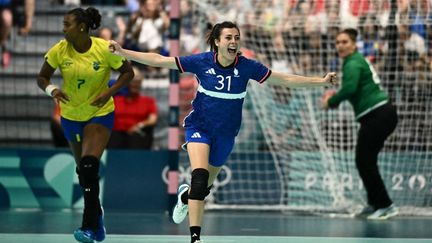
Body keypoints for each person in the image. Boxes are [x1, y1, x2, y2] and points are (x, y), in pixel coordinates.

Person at [109, 21, 336, 243]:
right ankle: (196, 238)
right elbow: (160, 60)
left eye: (236, 38)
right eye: (228, 37)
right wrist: (124, 52)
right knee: (198, 178)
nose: (233, 42)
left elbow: (284, 79)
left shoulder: (247, 67)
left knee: (203, 188)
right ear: (217, 42)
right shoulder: (201, 61)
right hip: (199, 128)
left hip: (225, 135)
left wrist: (320, 81)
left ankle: (184, 197)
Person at [36, 7, 134, 243]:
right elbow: (42, 78)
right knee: (83, 173)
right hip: (70, 116)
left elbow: (128, 73)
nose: (63, 28)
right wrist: (53, 90)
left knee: (89, 167)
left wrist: (108, 92)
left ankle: (88, 228)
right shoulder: (60, 49)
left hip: (99, 113)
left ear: (81, 27)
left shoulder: (104, 48)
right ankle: (97, 220)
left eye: (67, 24)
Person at [321, 28, 398, 220]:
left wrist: (331, 101)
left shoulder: (352, 63)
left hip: (377, 114)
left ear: (354, 44)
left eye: (345, 42)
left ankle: (385, 205)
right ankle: (375, 203)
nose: (340, 45)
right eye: (338, 42)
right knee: (365, 160)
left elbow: (349, 88)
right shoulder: (355, 61)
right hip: (379, 114)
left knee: (364, 160)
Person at [107, 66, 158, 149]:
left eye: (138, 82)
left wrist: (139, 125)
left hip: (136, 132)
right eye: (133, 82)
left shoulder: (148, 101)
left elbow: (152, 119)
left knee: (135, 137)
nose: (135, 85)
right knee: (113, 137)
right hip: (116, 133)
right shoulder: (115, 100)